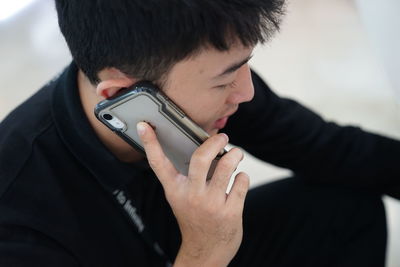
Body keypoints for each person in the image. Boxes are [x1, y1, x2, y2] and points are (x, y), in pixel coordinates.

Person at [0, 0, 399, 266]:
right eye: (225, 79)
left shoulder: (200, 88)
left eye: (244, 64)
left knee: (344, 210)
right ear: (124, 94)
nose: (246, 92)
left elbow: (323, 147)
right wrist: (205, 252)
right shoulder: (18, 217)